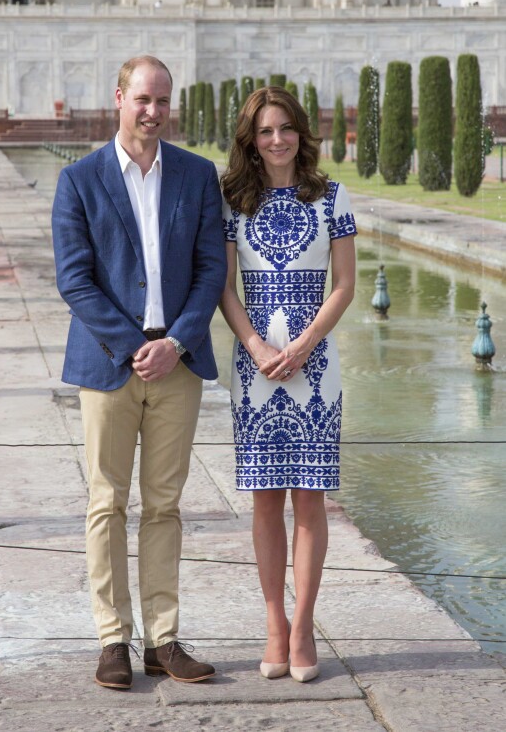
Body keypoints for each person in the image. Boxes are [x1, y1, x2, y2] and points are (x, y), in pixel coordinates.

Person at [51, 55, 227, 689]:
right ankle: (112, 639)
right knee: (106, 503)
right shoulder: (80, 179)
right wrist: (135, 346)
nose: (152, 112)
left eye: (162, 102)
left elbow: (212, 270)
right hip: (109, 362)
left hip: (175, 363)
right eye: (142, 100)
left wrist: (176, 342)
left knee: (165, 505)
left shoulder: (196, 175)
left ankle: (164, 638)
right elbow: (75, 280)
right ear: (119, 97)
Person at [219, 86, 356, 682]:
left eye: (286, 128)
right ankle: (273, 623)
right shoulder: (233, 202)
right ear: (251, 141)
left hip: (315, 369)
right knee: (265, 502)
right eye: (265, 132)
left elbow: (345, 286)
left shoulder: (332, 197)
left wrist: (302, 346)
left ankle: (303, 628)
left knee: (310, 501)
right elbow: (225, 287)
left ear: (301, 132)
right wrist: (256, 345)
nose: (277, 140)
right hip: (255, 369)